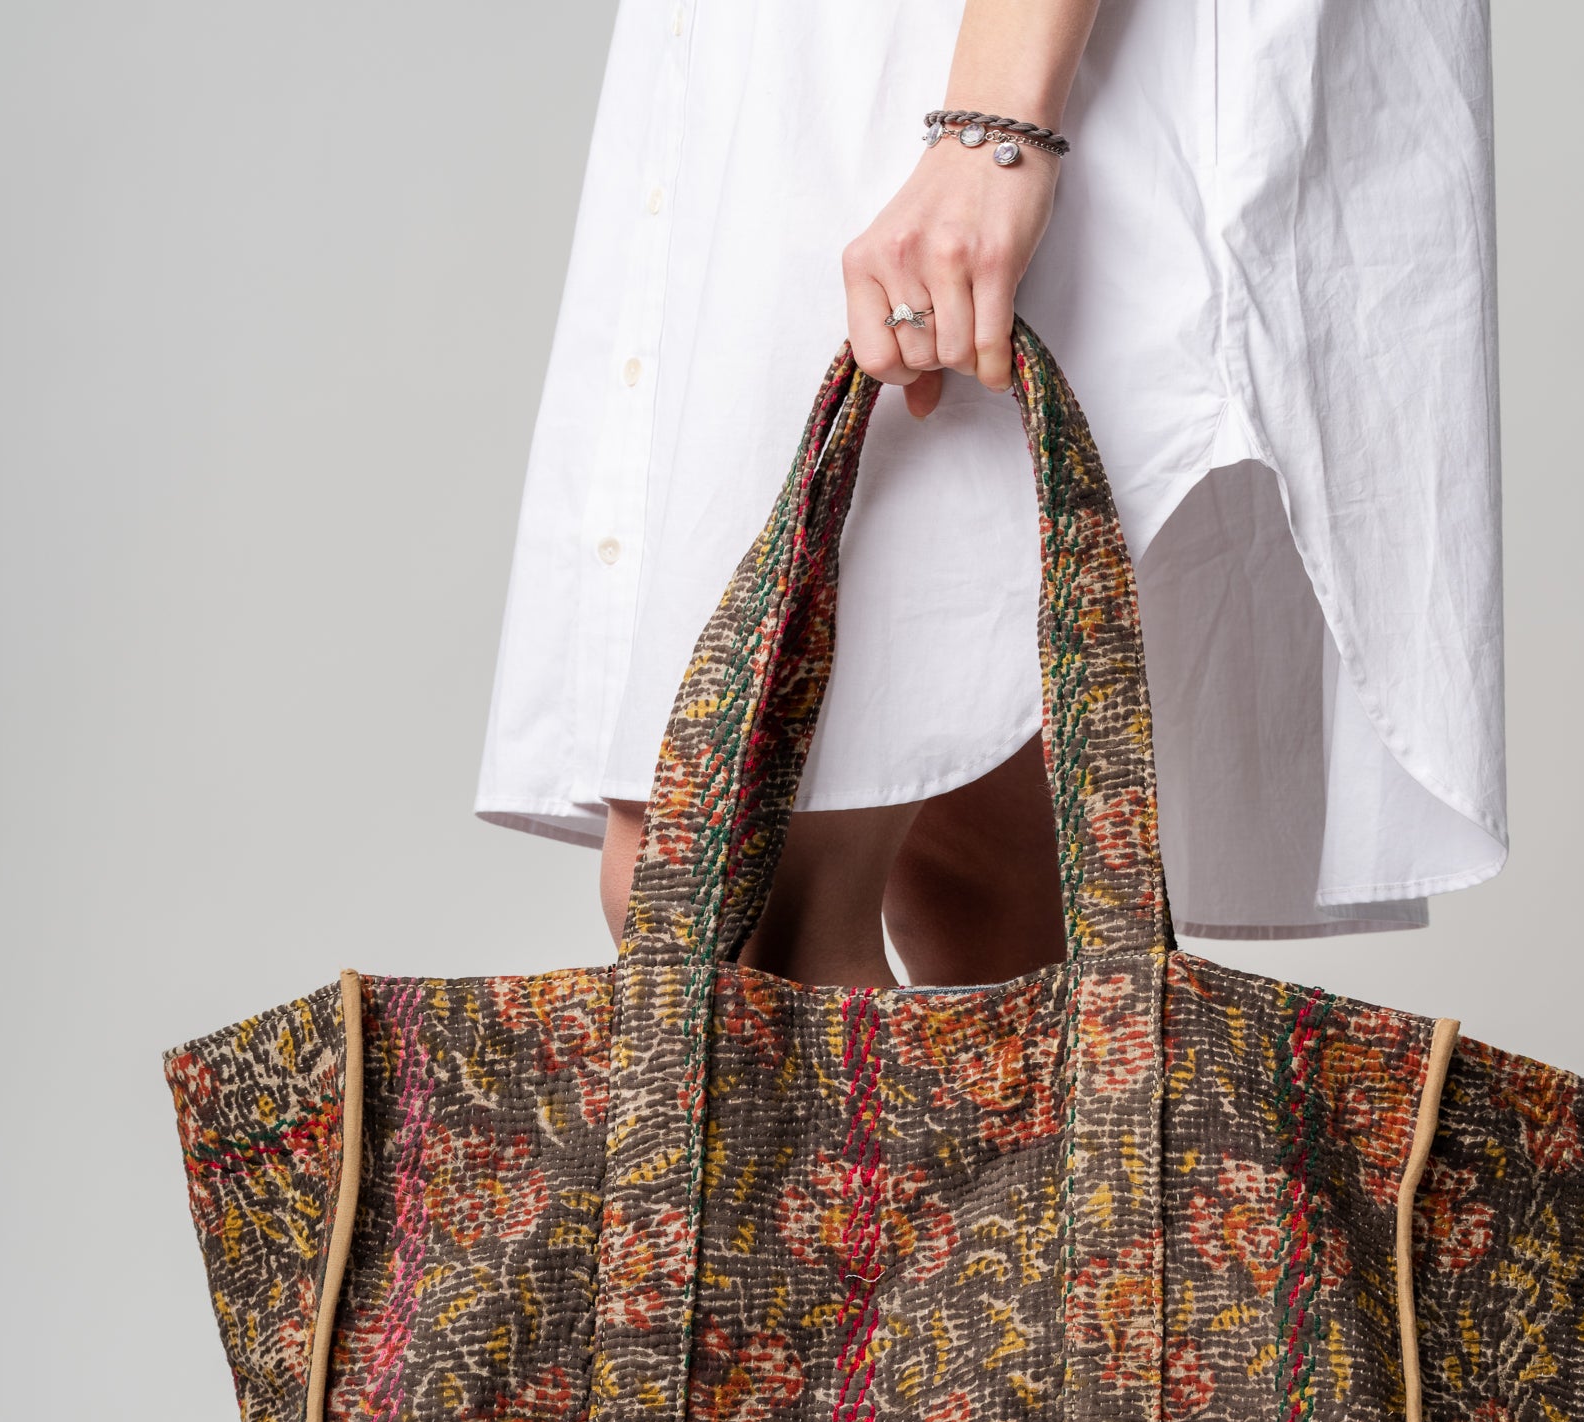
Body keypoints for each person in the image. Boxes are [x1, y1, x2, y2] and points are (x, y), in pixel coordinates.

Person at [479, 0, 1507, 986]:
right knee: (977, 874)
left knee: (748, 910)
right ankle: (1086, 1124)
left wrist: (994, 127)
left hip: (962, 86)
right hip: (866, 83)